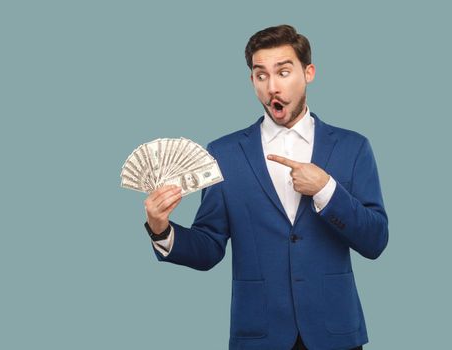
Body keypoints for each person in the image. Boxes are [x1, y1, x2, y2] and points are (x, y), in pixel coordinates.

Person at [143, 25, 388, 350]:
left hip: (335, 331)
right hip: (259, 334)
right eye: (261, 75)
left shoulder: (353, 147)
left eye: (284, 72)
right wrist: (161, 230)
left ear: (308, 72)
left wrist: (326, 189)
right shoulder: (223, 153)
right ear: (252, 81)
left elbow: (375, 241)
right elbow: (209, 247)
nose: (273, 86)